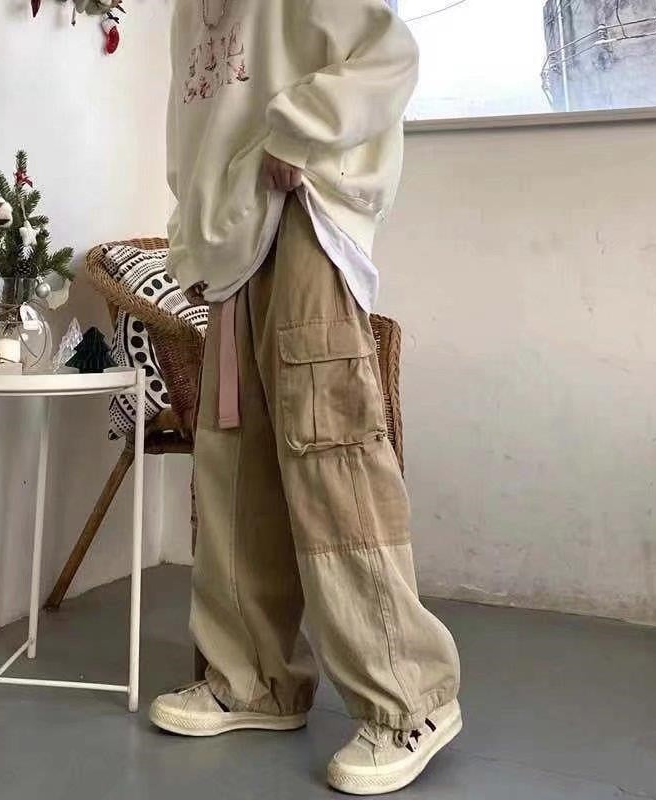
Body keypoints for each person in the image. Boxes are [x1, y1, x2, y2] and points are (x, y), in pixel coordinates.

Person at [149, 0, 461, 794]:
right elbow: (197, 130)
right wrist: (197, 231)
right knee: (231, 466)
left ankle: (409, 699)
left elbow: (389, 57)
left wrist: (297, 132)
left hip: (303, 222)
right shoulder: (188, 10)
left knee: (332, 457)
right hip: (230, 253)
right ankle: (253, 679)